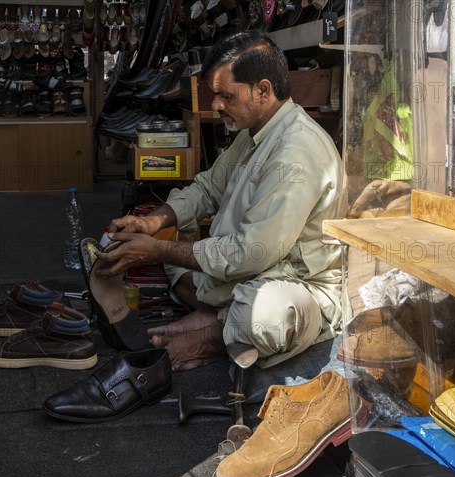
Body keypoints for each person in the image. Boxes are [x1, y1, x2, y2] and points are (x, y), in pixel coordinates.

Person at [96, 30, 347, 371]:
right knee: (177, 241)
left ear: (262, 90)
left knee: (263, 314)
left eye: (225, 96)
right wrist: (152, 222)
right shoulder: (255, 132)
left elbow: (250, 254)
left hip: (296, 285)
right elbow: (207, 188)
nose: (216, 105)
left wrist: (155, 249)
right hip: (252, 270)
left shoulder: (295, 152)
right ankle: (216, 318)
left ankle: (212, 336)